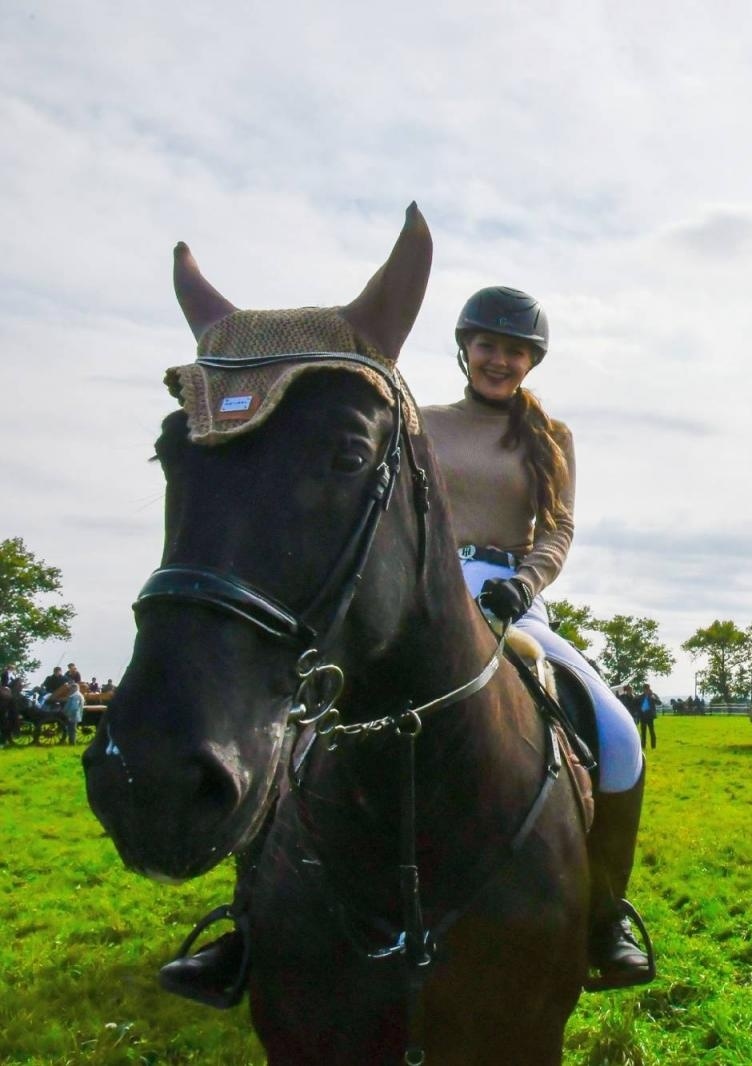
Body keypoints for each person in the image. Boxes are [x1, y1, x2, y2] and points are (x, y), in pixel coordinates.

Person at [159, 285, 655, 1006]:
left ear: (531, 360)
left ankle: (603, 918)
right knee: (296, 730)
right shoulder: (416, 417)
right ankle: (245, 929)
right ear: (465, 348)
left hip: (514, 603)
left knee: (617, 735)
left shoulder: (552, 438)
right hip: (416, 592)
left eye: (514, 350)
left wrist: (524, 580)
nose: (499, 359)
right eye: (487, 345)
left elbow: (560, 528)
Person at [637, 683, 659, 749]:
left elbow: (659, 702)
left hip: (650, 716)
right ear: (643, 689)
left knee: (652, 731)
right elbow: (636, 704)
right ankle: (643, 746)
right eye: (645, 689)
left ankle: (653, 746)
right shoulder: (641, 696)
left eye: (647, 688)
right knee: (643, 732)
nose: (646, 690)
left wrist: (653, 697)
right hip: (642, 716)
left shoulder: (653, 695)